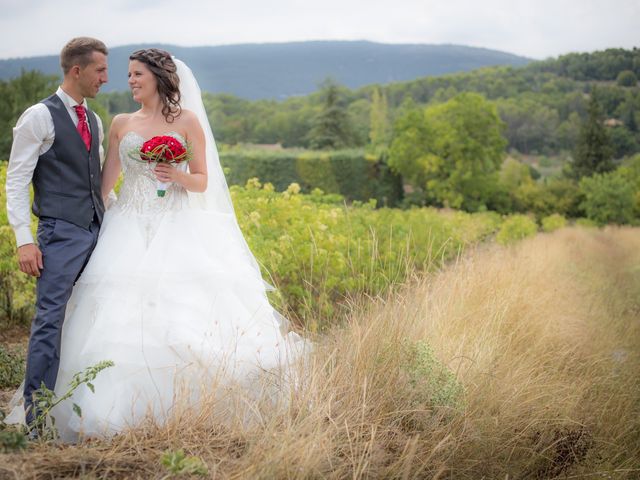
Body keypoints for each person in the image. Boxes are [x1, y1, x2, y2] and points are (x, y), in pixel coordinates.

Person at [9, 48, 305, 442]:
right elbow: (105, 181)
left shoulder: (187, 121)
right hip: (127, 225)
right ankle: (95, 412)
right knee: (110, 319)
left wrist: (176, 176)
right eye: (126, 74)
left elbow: (202, 179)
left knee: (179, 317)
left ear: (159, 78)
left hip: (175, 226)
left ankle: (184, 410)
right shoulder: (117, 123)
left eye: (136, 75)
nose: (128, 80)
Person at [5, 37, 109, 431]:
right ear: (76, 70)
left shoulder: (95, 120)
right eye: (100, 70)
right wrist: (24, 239)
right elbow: (16, 182)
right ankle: (38, 419)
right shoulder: (39, 116)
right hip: (59, 233)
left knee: (94, 316)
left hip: (97, 232)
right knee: (50, 320)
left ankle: (85, 408)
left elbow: (98, 183)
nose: (106, 78)